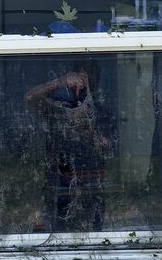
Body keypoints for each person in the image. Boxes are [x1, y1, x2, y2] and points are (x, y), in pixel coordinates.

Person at [25, 62, 115, 234]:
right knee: (58, 237)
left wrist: (87, 129)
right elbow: (30, 98)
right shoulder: (58, 108)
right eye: (78, 80)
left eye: (87, 81)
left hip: (91, 187)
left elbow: (107, 148)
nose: (82, 86)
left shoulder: (101, 112)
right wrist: (58, 82)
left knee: (93, 237)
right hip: (59, 187)